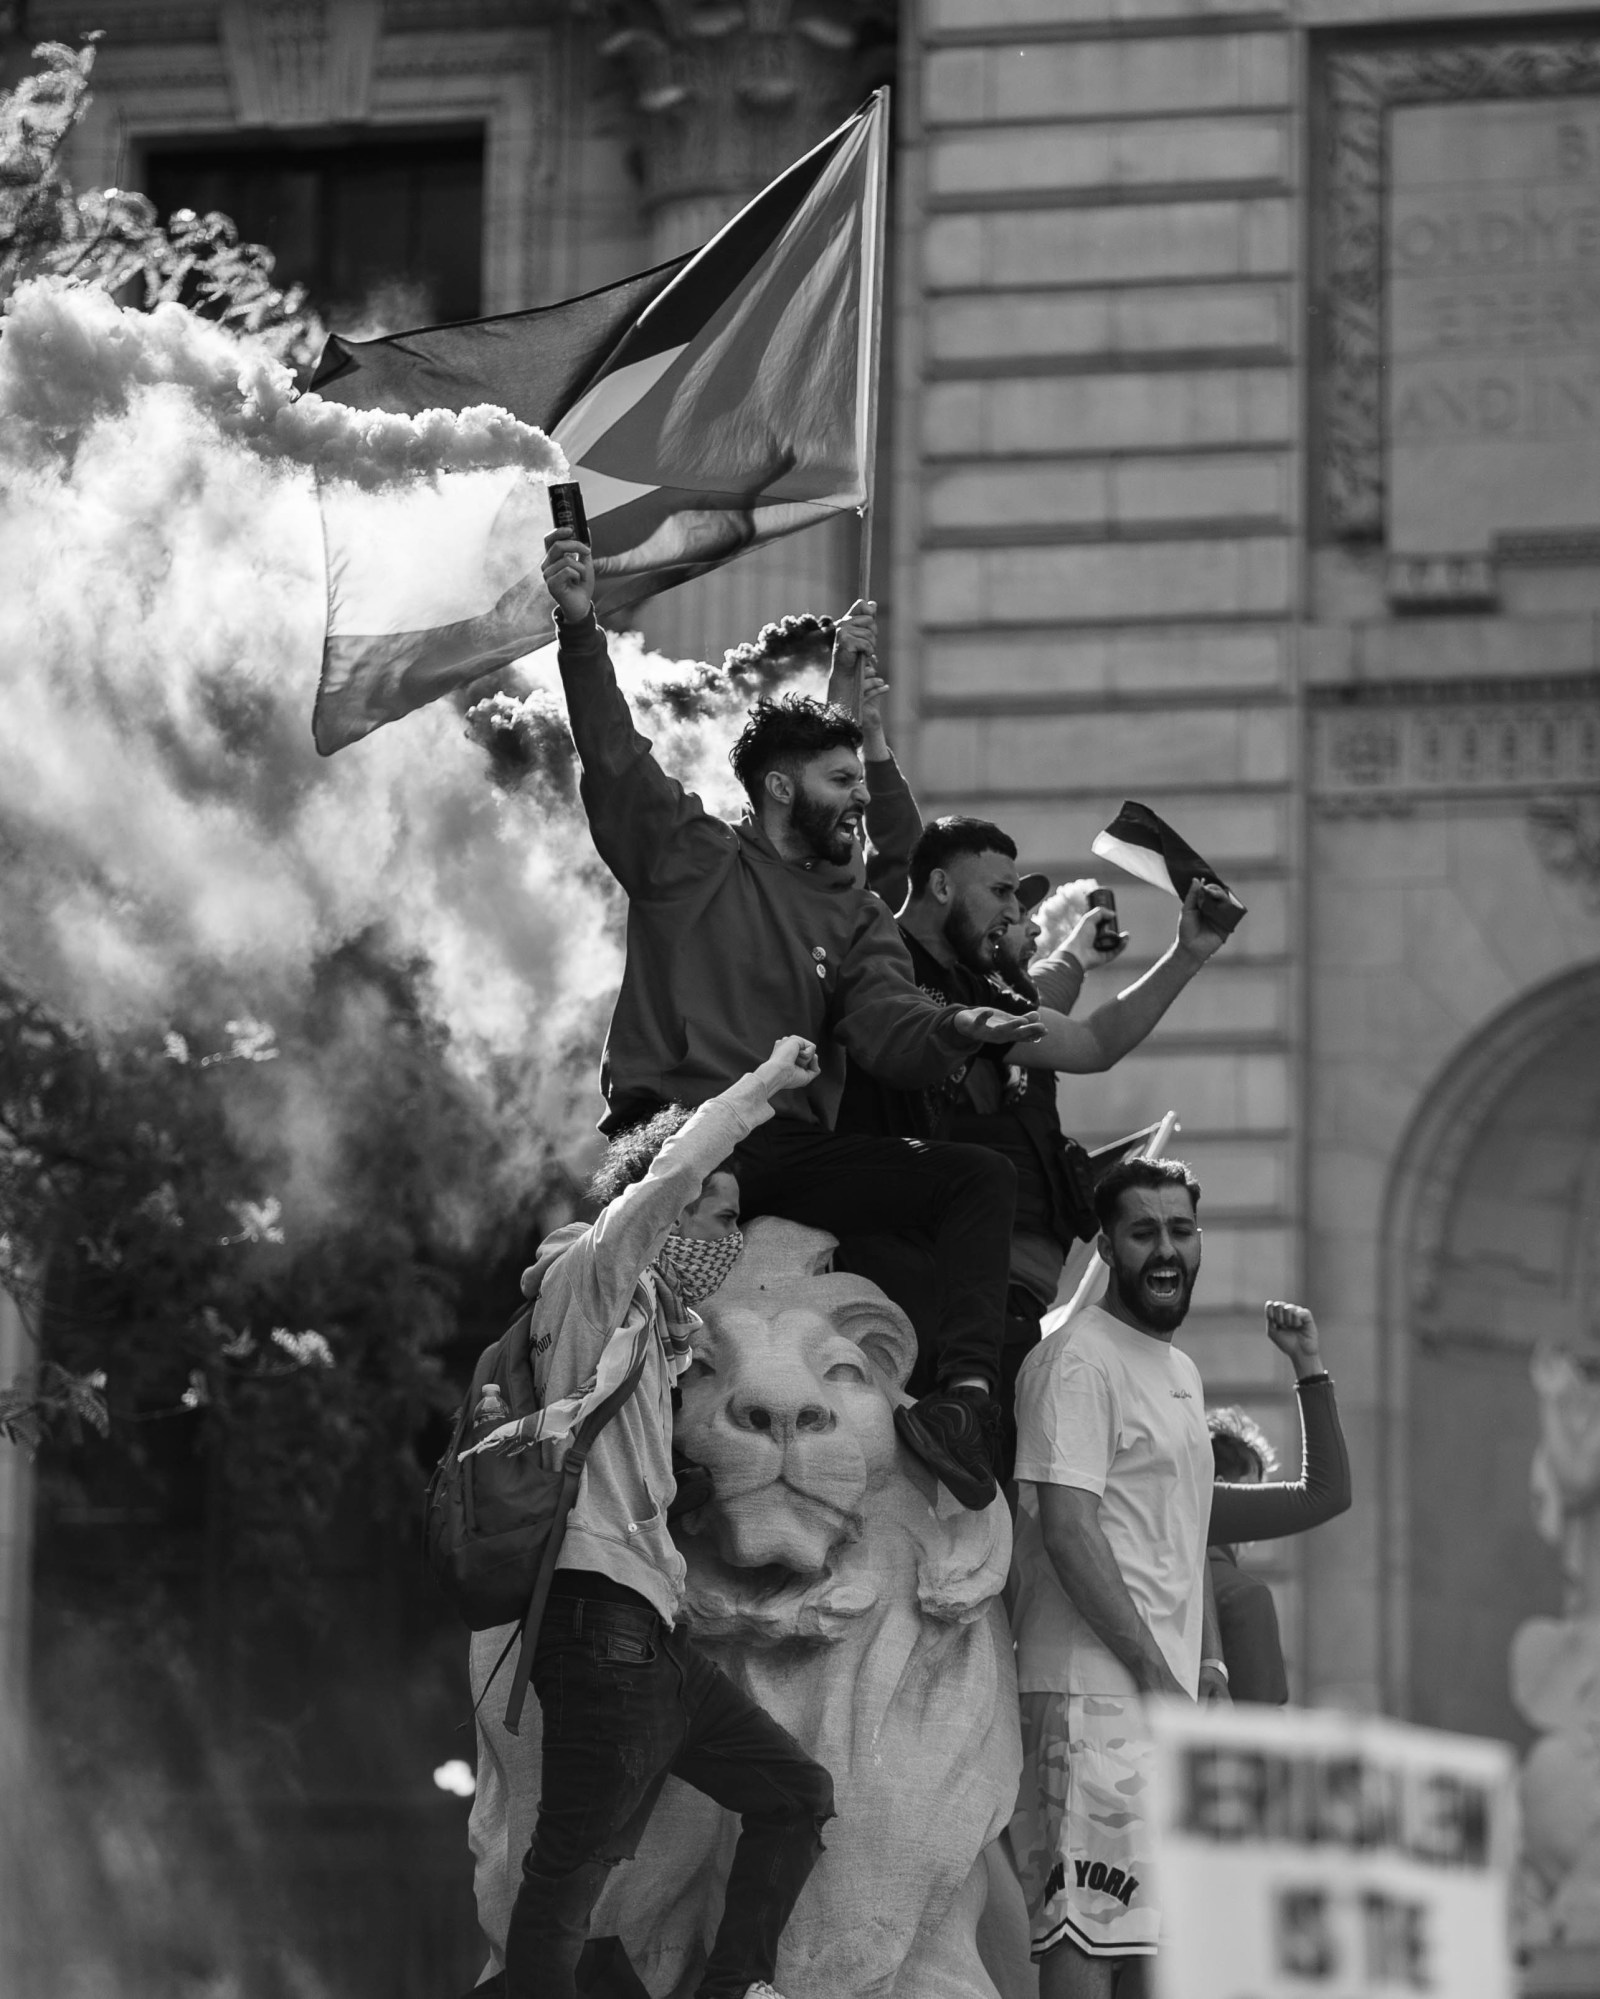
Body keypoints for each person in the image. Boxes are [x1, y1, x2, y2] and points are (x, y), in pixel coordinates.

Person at [542, 531, 1049, 1510]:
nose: (861, 799)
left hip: (790, 1154)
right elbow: (610, 750)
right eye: (841, 781)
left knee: (977, 1183)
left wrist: (957, 1030)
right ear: (779, 788)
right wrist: (577, 624)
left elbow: (888, 1015)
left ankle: (963, 1407)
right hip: (675, 1141)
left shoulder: (855, 915)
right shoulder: (687, 855)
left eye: (862, 782)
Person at [466, 1035, 835, 1999]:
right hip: (599, 1632)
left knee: (795, 1794)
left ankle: (735, 1987)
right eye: (713, 1208)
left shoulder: (654, 1332)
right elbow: (669, 1174)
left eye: (735, 1216)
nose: (726, 1230)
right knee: (570, 1867)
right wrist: (760, 1085)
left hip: (651, 1638)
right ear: (659, 1210)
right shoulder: (596, 1282)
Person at [1008, 1156, 1229, 1999]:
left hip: (1159, 1691)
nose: (1166, 1250)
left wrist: (1204, 1667)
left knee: (1157, 1941)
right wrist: (1148, 1669)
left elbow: (1189, 1534)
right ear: (1108, 1244)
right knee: (1088, 1925)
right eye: (1144, 1232)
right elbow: (1068, 1530)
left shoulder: (1179, 1369)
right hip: (1090, 1692)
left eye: (1180, 1229)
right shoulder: (1079, 1360)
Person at [1207, 1303, 1352, 1703]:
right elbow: (1326, 1492)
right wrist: (1307, 1363)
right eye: (1252, 1491)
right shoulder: (1242, 1597)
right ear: (1221, 1488)